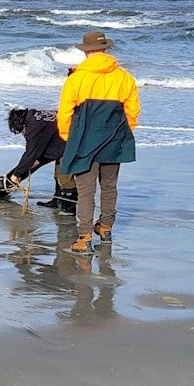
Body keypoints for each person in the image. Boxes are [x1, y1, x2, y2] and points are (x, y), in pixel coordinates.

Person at [57, 31, 140, 255]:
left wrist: (68, 137)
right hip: (114, 137)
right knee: (109, 186)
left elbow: (64, 113)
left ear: (86, 52)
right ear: (105, 49)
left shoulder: (76, 78)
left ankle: (84, 237)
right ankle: (105, 227)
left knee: (86, 190)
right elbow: (133, 112)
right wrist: (121, 132)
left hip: (84, 139)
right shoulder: (124, 77)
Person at [5, 107, 77, 214]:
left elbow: (30, 154)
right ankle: (57, 200)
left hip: (72, 142)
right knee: (58, 175)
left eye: (21, 131)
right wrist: (37, 161)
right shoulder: (36, 117)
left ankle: (69, 207)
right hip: (63, 140)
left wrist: (16, 175)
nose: (23, 133)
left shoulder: (34, 128)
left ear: (21, 124)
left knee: (65, 177)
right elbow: (44, 148)